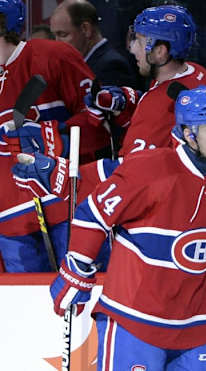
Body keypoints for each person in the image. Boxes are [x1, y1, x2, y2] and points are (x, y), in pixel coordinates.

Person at [43, 86, 206, 370]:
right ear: (188, 134)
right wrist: (78, 266)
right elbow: (93, 213)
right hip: (133, 324)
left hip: (195, 331)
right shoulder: (148, 169)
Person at [0, 0, 110, 272]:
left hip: (67, 205)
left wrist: (53, 137)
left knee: (86, 296)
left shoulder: (53, 56)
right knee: (25, 308)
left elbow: (101, 122)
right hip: (9, 220)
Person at [87, 5, 206, 155]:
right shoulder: (198, 73)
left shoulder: (156, 107)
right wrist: (128, 102)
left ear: (160, 52)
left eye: (139, 42)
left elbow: (130, 170)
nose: (133, 49)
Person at [50, 0, 138, 88]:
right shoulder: (79, 64)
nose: (57, 42)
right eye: (55, 36)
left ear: (86, 29)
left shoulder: (111, 67)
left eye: (62, 34)